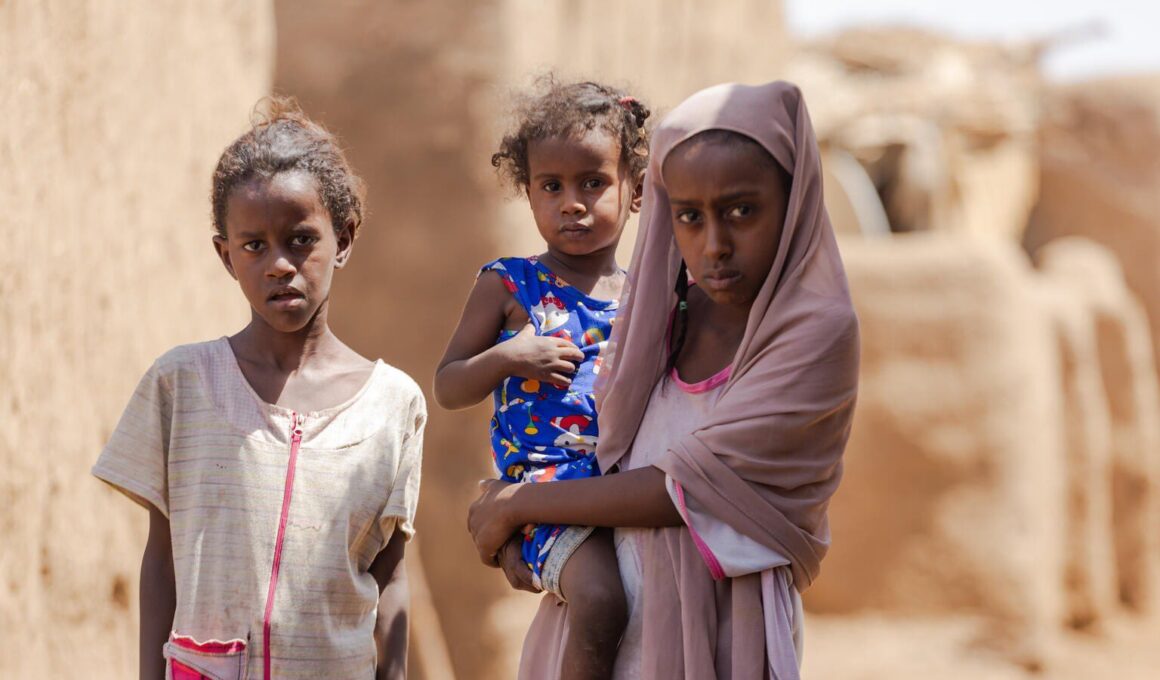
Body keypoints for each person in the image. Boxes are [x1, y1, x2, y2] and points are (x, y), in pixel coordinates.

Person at [468, 80, 860, 679]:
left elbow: (690, 488)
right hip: (602, 633)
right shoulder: (661, 314)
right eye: (690, 217)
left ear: (795, 199)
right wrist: (532, 526)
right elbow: (592, 448)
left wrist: (514, 504)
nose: (716, 244)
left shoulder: (812, 332)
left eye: (742, 211)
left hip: (723, 631)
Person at [92, 97, 424, 680]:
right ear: (226, 256)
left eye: (300, 240)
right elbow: (162, 562)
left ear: (343, 239)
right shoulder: (182, 385)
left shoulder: (393, 405)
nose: (278, 265)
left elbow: (391, 573)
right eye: (253, 246)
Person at [434, 78, 650, 680]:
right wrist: (510, 357)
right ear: (527, 194)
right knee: (603, 601)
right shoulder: (507, 285)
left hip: (618, 487)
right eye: (550, 186)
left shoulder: (644, 299)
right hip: (544, 489)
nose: (571, 203)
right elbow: (449, 385)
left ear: (634, 191)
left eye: (593, 183)